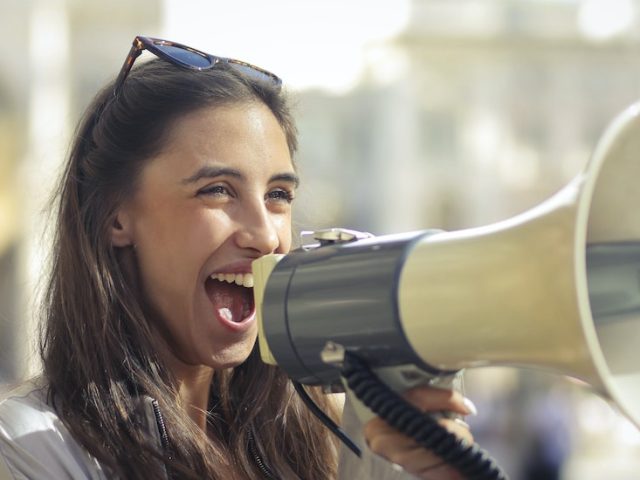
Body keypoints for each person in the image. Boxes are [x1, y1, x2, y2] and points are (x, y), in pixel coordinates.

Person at [0, 36, 475, 479]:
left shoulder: (327, 436)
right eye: (218, 190)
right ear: (115, 217)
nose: (266, 236)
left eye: (278, 195)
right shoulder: (26, 444)